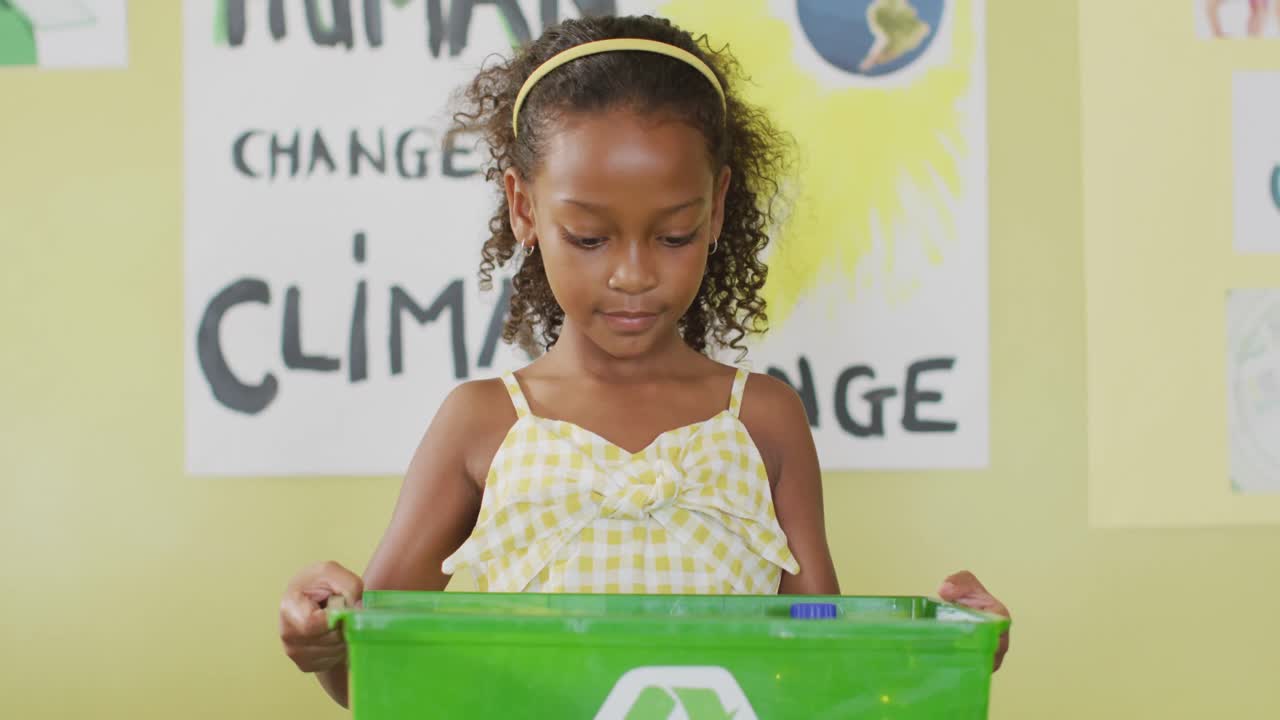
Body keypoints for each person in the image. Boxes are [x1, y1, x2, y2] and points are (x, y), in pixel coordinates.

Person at [277, 14, 1010, 708]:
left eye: (673, 235)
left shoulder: (764, 420)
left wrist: (948, 649)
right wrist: (324, 643)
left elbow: (819, 661)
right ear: (524, 207)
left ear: (717, 207)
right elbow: (378, 671)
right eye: (590, 238)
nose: (632, 274)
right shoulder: (480, 422)